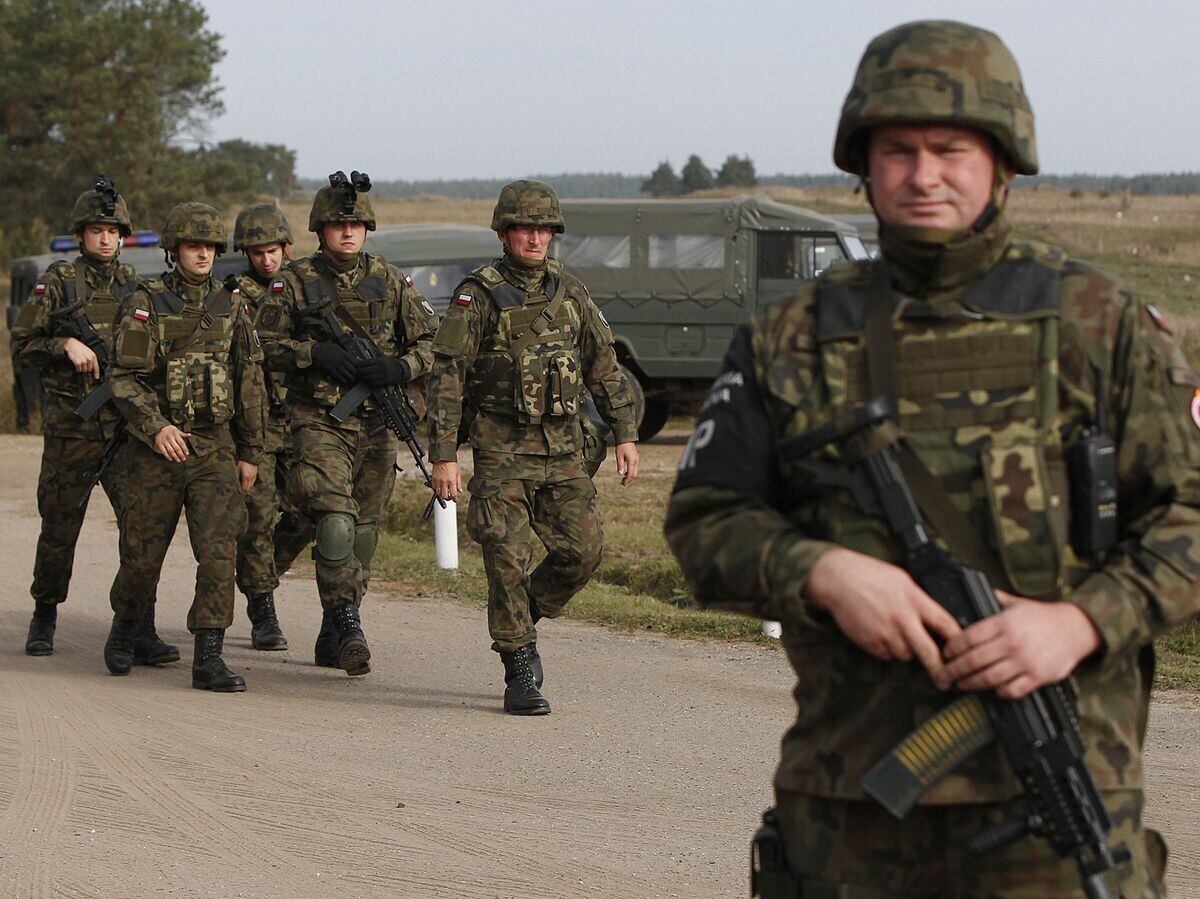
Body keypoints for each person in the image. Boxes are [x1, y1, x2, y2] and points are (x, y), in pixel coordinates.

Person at [664, 20, 1198, 898]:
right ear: (863, 165)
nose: (923, 176)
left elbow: (1189, 514)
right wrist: (823, 571)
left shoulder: (1100, 326)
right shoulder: (789, 339)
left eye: (951, 150)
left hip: (1056, 810)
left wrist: (1080, 620)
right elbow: (703, 519)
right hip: (853, 808)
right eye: (898, 151)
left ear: (1003, 163)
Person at [426, 179, 640, 716]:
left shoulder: (572, 293)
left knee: (583, 551)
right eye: (524, 228)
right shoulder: (478, 295)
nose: (535, 238)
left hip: (565, 451)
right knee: (506, 560)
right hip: (502, 452)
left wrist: (625, 432)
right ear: (504, 233)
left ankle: (520, 615)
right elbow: (448, 376)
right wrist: (444, 455)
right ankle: (518, 666)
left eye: (544, 229)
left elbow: (603, 366)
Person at [256, 171, 438, 677]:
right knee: (335, 519)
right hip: (318, 422)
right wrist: (312, 353)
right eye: (339, 225)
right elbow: (260, 345)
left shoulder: (391, 279)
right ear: (320, 230)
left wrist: (400, 368)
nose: (348, 232)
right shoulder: (293, 281)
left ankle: (330, 631)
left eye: (356, 225)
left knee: (363, 534)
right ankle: (348, 622)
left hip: (378, 424)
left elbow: (433, 344)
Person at [11, 176, 175, 665]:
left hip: (124, 431)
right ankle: (44, 615)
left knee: (142, 530)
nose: (105, 239)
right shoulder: (60, 281)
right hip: (72, 429)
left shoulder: (136, 285)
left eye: (113, 231)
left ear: (123, 236)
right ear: (81, 234)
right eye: (96, 231)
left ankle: (139, 626)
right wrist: (64, 344)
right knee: (59, 526)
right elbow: (22, 345)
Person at [105, 202, 265, 692]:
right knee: (141, 557)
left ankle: (209, 656)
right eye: (194, 246)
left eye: (210, 247)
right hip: (156, 451)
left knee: (218, 553)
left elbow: (249, 380)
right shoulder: (145, 303)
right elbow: (123, 378)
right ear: (174, 250)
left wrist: (251, 452)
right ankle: (127, 627)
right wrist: (156, 428)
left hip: (213, 448)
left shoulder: (232, 305)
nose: (203, 254)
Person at [226, 203, 297, 651]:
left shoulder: (304, 286)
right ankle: (262, 609)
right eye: (257, 253)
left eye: (273, 250)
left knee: (312, 511)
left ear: (286, 247)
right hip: (258, 423)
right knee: (258, 519)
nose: (267, 260)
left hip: (306, 421)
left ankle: (260, 573)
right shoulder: (235, 298)